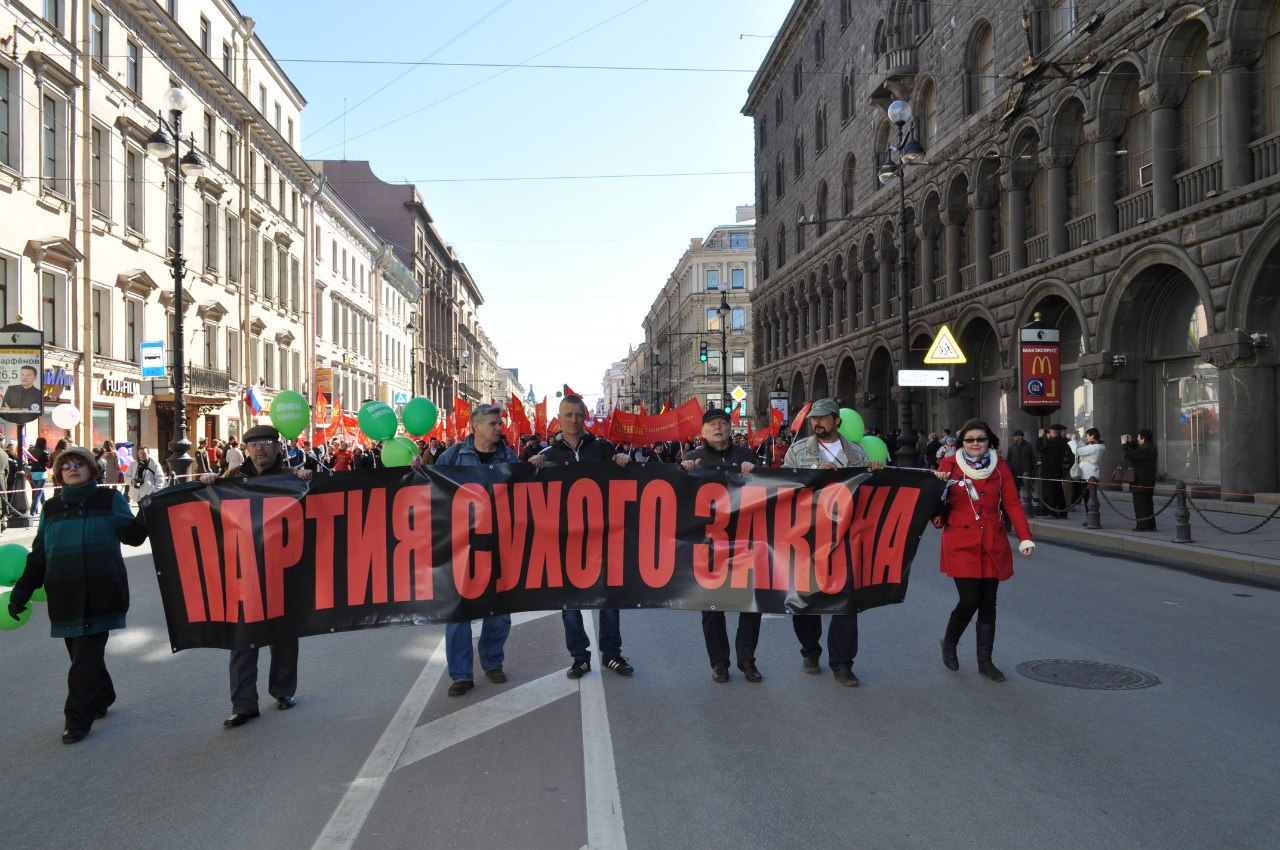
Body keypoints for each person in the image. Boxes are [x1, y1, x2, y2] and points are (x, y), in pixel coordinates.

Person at [6, 446, 148, 743]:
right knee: (80, 653)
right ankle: (103, 695)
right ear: (58, 475)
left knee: (84, 656)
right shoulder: (51, 508)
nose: (72, 468)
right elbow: (40, 554)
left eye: (78, 464)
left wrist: (146, 512)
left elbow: (132, 537)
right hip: (65, 592)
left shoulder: (109, 500)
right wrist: (21, 592)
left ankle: (77, 720)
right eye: (66, 465)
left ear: (91, 470)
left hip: (101, 589)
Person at [198, 424, 313, 727]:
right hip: (243, 571)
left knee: (284, 637)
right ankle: (244, 704)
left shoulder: (291, 478)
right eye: (255, 444)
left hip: (282, 569)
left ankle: (283, 691)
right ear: (247, 449)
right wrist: (210, 481)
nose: (260, 449)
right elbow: (209, 510)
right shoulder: (233, 480)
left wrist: (308, 481)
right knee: (243, 639)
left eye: (266, 443)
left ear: (277, 447)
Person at [430, 404, 537, 696]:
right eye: (492, 423)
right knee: (458, 610)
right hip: (461, 545)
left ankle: (492, 662)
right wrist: (417, 467)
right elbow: (430, 486)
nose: (498, 428)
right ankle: (461, 675)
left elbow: (522, 490)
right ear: (475, 426)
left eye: (499, 423)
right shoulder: (452, 456)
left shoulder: (508, 455)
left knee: (499, 608)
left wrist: (533, 469)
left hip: (499, 542)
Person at [782, 399, 885, 687]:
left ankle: (842, 663)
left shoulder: (857, 453)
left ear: (837, 421)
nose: (818, 423)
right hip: (809, 536)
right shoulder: (799, 450)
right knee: (806, 599)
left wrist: (877, 470)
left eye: (824, 418)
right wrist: (813, 477)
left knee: (846, 600)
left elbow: (870, 495)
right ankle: (810, 651)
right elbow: (783, 488)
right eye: (815, 419)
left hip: (847, 537)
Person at [539, 394, 634, 679]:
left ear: (586, 417)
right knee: (570, 603)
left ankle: (612, 655)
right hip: (566, 541)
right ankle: (580, 658)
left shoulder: (602, 448)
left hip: (603, 537)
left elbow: (625, 477)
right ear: (559, 417)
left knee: (609, 599)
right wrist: (531, 466)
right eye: (568, 415)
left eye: (579, 415)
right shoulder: (548, 456)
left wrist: (622, 459)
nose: (574, 420)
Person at [934, 419, 1035, 682]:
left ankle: (985, 661)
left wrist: (1025, 537)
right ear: (961, 443)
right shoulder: (949, 465)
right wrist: (939, 486)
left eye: (980, 439)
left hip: (992, 538)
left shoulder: (999, 467)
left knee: (989, 601)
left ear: (989, 440)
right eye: (970, 440)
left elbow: (1011, 502)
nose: (975, 444)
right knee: (969, 599)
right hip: (960, 539)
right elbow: (933, 501)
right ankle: (950, 643)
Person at [683, 409, 761, 683]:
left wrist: (754, 473)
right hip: (710, 544)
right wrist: (684, 474)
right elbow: (682, 497)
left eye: (723, 423)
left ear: (730, 429)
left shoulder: (745, 456)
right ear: (703, 432)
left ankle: (747, 660)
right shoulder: (693, 459)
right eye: (712, 424)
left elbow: (765, 488)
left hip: (743, 540)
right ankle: (719, 663)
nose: (718, 427)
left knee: (750, 603)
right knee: (712, 606)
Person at [1121, 429, 1158, 531]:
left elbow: (1128, 456)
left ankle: (1142, 526)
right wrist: (1131, 442)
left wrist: (1124, 445)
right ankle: (1150, 525)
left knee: (1140, 504)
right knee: (1148, 504)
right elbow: (1138, 452)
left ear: (1143, 438)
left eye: (1138, 437)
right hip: (1148, 480)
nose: (1137, 439)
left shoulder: (1145, 449)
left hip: (1140, 481)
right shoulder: (1151, 448)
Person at [1036, 425, 1072, 517]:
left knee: (1050, 492)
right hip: (1058, 470)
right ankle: (1063, 512)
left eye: (1050, 432)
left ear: (1052, 432)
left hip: (1049, 471)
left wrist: (1040, 437)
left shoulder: (1053, 442)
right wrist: (1048, 439)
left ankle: (1052, 513)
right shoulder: (1062, 441)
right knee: (1059, 491)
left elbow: (1039, 448)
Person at [1004, 430, 1036, 495]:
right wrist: (1009, 470)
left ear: (1020, 437)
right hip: (1015, 471)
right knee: (1015, 489)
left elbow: (1033, 459)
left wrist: (1033, 471)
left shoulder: (1028, 446)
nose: (1013, 437)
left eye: (1015, 436)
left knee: (1027, 491)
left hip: (1026, 472)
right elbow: (1008, 460)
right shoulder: (1011, 447)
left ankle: (1027, 503)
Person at [28, 436, 51, 514]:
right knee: (38, 493)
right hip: (41, 474)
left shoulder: (31, 451)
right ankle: (33, 511)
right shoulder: (45, 453)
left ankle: (45, 509)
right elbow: (47, 463)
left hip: (33, 473)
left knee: (39, 492)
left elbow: (29, 462)